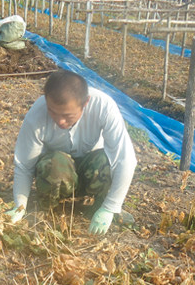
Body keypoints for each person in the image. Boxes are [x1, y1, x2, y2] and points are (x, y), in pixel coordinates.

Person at [7, 70, 137, 235]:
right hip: (60, 174)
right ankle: (49, 208)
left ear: (85, 103)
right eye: (52, 112)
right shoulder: (37, 114)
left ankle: (100, 207)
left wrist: (110, 207)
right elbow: (24, 165)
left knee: (105, 160)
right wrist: (19, 206)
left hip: (91, 168)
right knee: (54, 163)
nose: (60, 120)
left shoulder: (103, 107)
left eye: (67, 115)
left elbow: (125, 159)